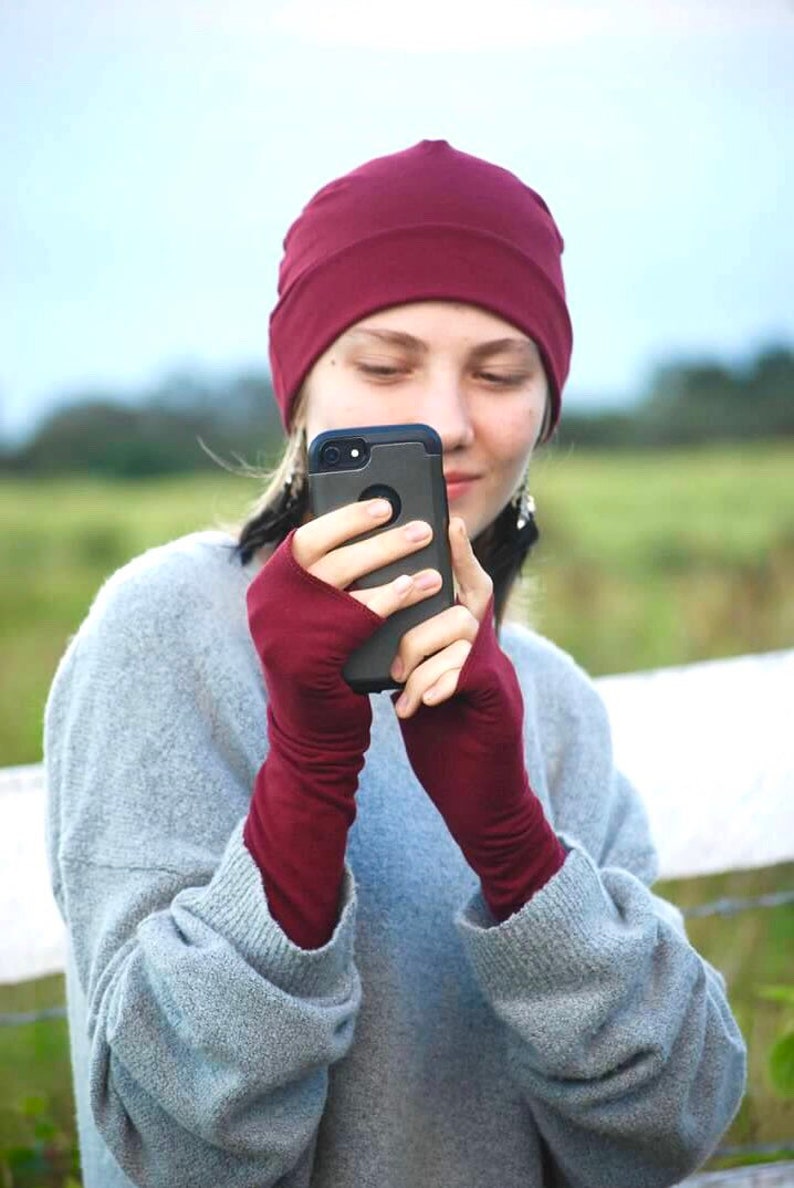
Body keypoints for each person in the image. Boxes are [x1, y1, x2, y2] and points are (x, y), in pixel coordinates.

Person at [44, 140, 746, 1188]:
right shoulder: (163, 634)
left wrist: (516, 847)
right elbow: (179, 1147)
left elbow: (661, 1132)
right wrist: (308, 773)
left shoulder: (546, 700)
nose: (449, 422)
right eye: (383, 365)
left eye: (501, 374)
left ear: (544, 411)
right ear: (300, 394)